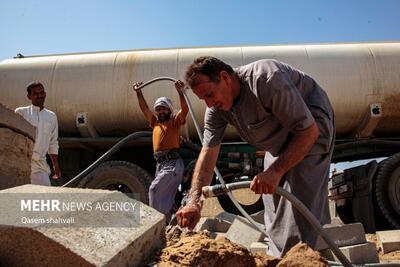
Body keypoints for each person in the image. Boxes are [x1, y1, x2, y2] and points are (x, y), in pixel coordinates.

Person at [176, 57, 335, 257]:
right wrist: (194, 201)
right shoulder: (216, 110)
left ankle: (299, 256)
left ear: (224, 77)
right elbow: (208, 154)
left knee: (296, 208)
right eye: (203, 99)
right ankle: (280, 257)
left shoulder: (265, 79)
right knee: (273, 204)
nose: (209, 103)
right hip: (279, 142)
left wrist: (276, 171)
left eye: (210, 94)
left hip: (311, 127)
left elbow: (308, 133)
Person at [134, 80, 189, 222]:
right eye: (158, 109)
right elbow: (144, 109)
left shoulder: (175, 122)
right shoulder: (155, 123)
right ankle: (174, 223)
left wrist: (180, 92)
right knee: (165, 198)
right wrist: (138, 92)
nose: (161, 111)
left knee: (154, 189)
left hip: (172, 163)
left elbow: (185, 110)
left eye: (164, 109)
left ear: (169, 110)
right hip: (160, 164)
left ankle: (155, 223)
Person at [15, 81, 61, 186]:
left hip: (40, 165)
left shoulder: (51, 116)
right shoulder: (21, 112)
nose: (39, 95)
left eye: (41, 92)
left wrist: (55, 166)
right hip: (22, 163)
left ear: (45, 94)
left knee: (44, 197)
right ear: (29, 96)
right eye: (35, 93)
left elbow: (53, 143)